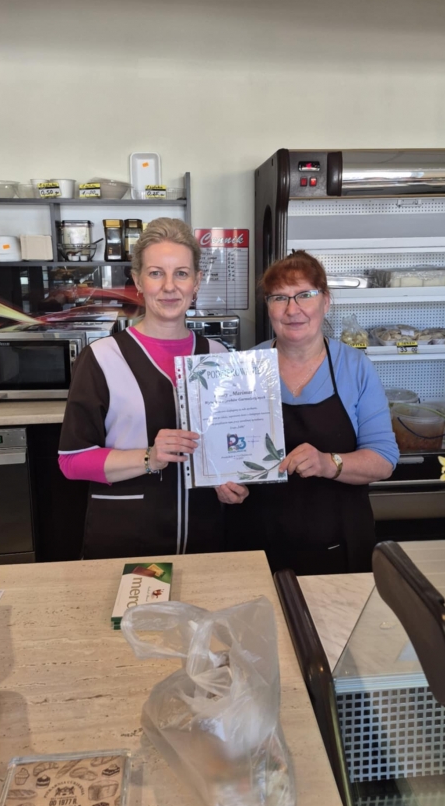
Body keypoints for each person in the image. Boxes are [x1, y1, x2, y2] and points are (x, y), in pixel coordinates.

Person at [58, 217, 232, 559]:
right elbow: (72, 462)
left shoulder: (218, 356)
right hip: (127, 539)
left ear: (196, 281)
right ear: (138, 280)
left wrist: (232, 480)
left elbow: (226, 446)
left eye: (181, 273)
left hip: (205, 536)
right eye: (156, 273)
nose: (169, 286)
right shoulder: (101, 358)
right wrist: (149, 457)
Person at [222, 250, 399, 575]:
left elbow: (384, 459)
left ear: (325, 301)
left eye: (305, 295)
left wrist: (329, 463)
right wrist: (223, 482)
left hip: (339, 546)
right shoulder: (244, 368)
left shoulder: (355, 367)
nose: (293, 310)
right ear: (268, 306)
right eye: (279, 298)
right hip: (256, 544)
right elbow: (226, 452)